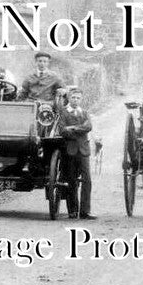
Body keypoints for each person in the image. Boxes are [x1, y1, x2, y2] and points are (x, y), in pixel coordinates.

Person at [59, 87, 96, 220]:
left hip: (84, 150)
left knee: (87, 180)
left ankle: (85, 211)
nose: (75, 100)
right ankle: (72, 211)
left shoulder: (84, 112)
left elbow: (89, 127)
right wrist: (79, 129)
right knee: (71, 180)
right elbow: (62, 130)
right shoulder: (63, 112)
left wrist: (73, 128)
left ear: (81, 99)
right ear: (69, 98)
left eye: (78, 98)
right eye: (73, 97)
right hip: (70, 150)